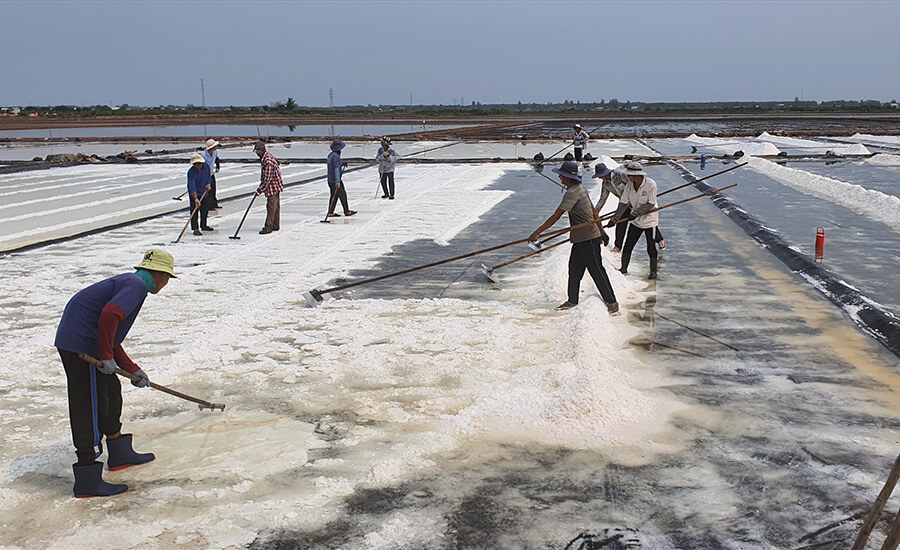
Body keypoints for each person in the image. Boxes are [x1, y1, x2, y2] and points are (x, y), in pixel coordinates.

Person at [54, 248, 176, 497]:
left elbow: (109, 331)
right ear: (161, 275)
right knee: (89, 404)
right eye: (167, 278)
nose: (165, 284)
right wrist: (106, 356)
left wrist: (131, 368)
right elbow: (110, 316)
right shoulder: (136, 286)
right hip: (80, 347)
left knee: (111, 390)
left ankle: (119, 452)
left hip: (89, 343)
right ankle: (87, 475)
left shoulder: (131, 283)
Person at [529, 160, 619, 313]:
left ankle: (612, 302)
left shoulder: (572, 193)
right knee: (574, 269)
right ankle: (572, 300)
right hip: (580, 238)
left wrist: (538, 232)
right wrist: (602, 232)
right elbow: (594, 212)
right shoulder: (581, 188)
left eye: (561, 176)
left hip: (588, 238)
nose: (560, 178)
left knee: (596, 270)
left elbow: (556, 216)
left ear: (567, 178)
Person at [595, 162, 667, 252]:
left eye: (600, 176)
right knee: (620, 222)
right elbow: (602, 199)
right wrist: (595, 212)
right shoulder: (606, 184)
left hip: (635, 201)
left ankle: (660, 240)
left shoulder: (620, 175)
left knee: (646, 221)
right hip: (624, 203)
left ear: (604, 174)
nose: (599, 178)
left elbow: (634, 183)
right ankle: (618, 247)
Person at [617, 163, 661, 279]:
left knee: (650, 246)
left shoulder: (651, 184)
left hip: (649, 219)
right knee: (628, 244)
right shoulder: (629, 186)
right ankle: (623, 268)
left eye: (630, 176)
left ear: (636, 176)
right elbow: (623, 202)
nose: (628, 178)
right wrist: (615, 218)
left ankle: (653, 272)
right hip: (636, 220)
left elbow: (651, 203)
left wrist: (635, 213)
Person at [254, 141, 284, 234]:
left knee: (271, 207)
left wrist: (260, 190)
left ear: (262, 151)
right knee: (275, 207)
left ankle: (268, 227)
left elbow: (267, 179)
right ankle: (275, 225)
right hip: (275, 186)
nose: (257, 154)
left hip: (273, 186)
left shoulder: (268, 161)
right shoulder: (266, 157)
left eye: (257, 152)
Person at [326, 139, 356, 218]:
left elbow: (337, 164)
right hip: (335, 180)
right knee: (342, 194)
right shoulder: (335, 157)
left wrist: (343, 163)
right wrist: (337, 181)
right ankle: (346, 211)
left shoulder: (331, 155)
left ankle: (330, 211)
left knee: (334, 196)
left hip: (330, 180)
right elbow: (336, 169)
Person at [187, 153, 213, 236]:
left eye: (198, 163)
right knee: (194, 211)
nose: (197, 165)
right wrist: (196, 199)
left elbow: (208, 177)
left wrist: (208, 184)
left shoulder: (206, 167)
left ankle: (203, 225)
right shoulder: (191, 172)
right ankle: (195, 228)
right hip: (194, 193)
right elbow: (192, 186)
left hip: (204, 192)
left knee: (204, 210)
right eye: (195, 164)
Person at [201, 139, 221, 209]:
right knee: (208, 191)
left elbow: (217, 159)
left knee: (213, 189)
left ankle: (214, 204)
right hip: (205, 175)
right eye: (215, 146)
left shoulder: (215, 153)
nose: (216, 147)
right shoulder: (203, 155)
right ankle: (208, 206)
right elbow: (201, 166)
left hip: (211, 174)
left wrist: (218, 166)